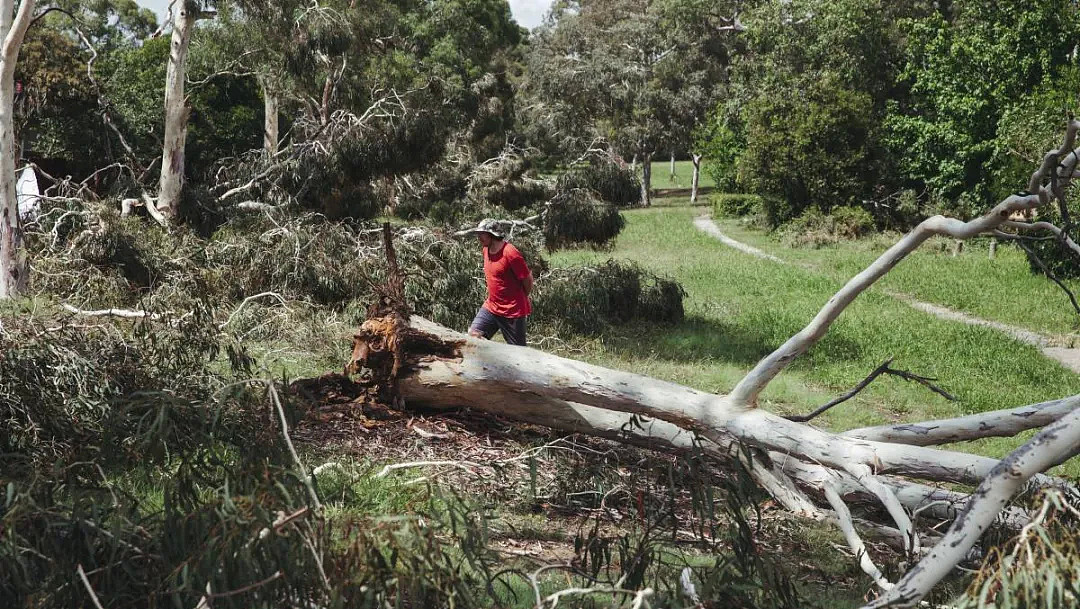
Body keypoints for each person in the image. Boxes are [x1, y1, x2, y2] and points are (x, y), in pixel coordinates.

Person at [455, 219, 533, 346]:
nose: (479, 237)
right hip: (491, 307)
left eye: (483, 233)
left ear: (493, 234)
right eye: (479, 234)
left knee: (519, 354)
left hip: (513, 312)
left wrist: (519, 299)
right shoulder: (486, 250)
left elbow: (527, 279)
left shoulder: (510, 253)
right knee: (473, 336)